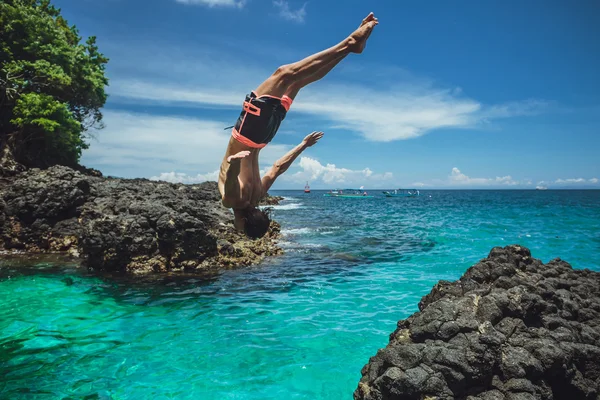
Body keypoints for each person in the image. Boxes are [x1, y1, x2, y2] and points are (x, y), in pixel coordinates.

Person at [218, 12, 379, 239]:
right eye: (240, 229)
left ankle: (350, 50)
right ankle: (349, 43)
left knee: (299, 82)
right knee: (285, 74)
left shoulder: (258, 195)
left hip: (265, 135)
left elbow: (277, 168)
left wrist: (303, 145)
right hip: (249, 131)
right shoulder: (232, 201)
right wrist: (233, 163)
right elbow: (232, 180)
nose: (236, 229)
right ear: (243, 222)